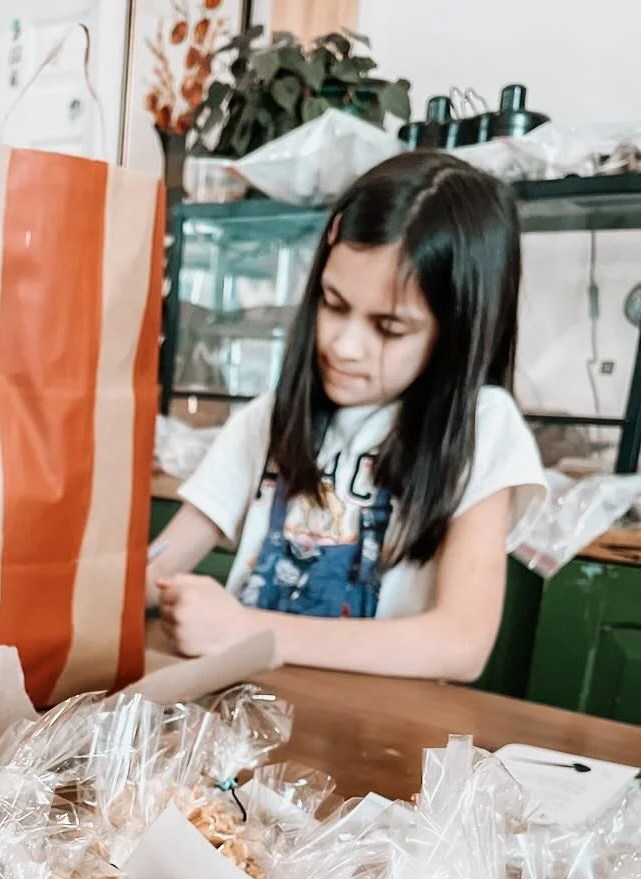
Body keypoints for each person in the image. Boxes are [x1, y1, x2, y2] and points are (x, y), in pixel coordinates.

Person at [150, 151, 546, 681]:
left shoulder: (482, 427)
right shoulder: (271, 418)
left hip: (373, 732)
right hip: (248, 717)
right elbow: (162, 562)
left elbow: (462, 644)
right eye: (333, 304)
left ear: (457, 332)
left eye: (388, 327)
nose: (344, 345)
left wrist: (247, 630)